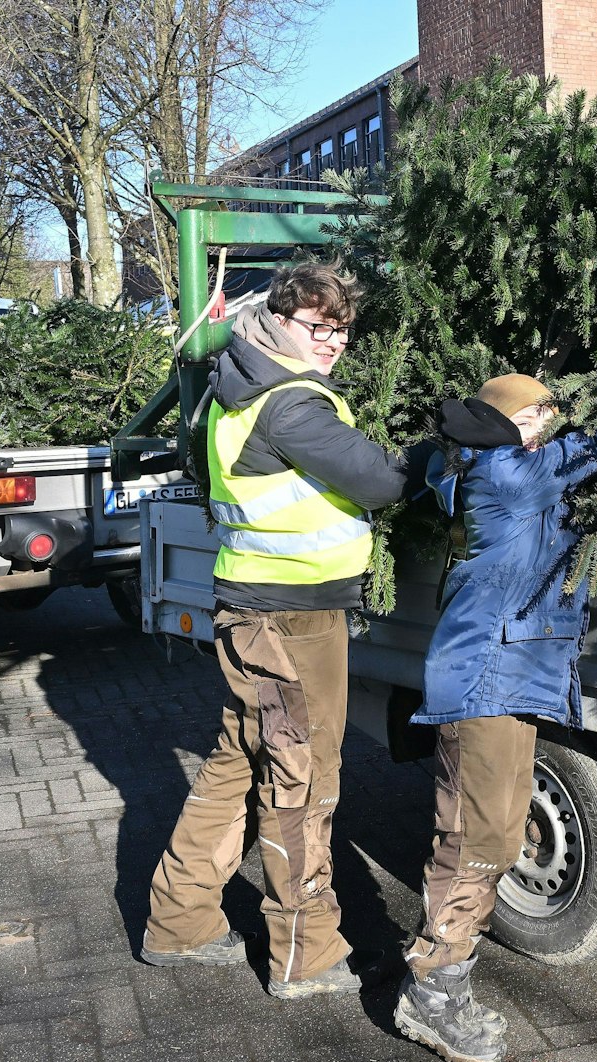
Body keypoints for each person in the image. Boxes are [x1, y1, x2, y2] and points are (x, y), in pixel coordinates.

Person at [142, 265, 408, 999]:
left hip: (258, 612)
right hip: (290, 621)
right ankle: (304, 951)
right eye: (318, 326)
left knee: (238, 761)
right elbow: (382, 480)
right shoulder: (287, 404)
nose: (333, 342)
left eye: (342, 330)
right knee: (305, 775)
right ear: (278, 318)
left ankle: (178, 917)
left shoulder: (238, 385)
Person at [393, 373, 597, 1062]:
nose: (547, 422)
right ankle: (430, 988)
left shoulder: (495, 460)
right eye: (537, 411)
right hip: (483, 677)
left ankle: (444, 978)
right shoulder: (505, 471)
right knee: (472, 838)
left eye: (551, 410)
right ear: (504, 420)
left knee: (499, 833)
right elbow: (594, 450)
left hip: (509, 677)